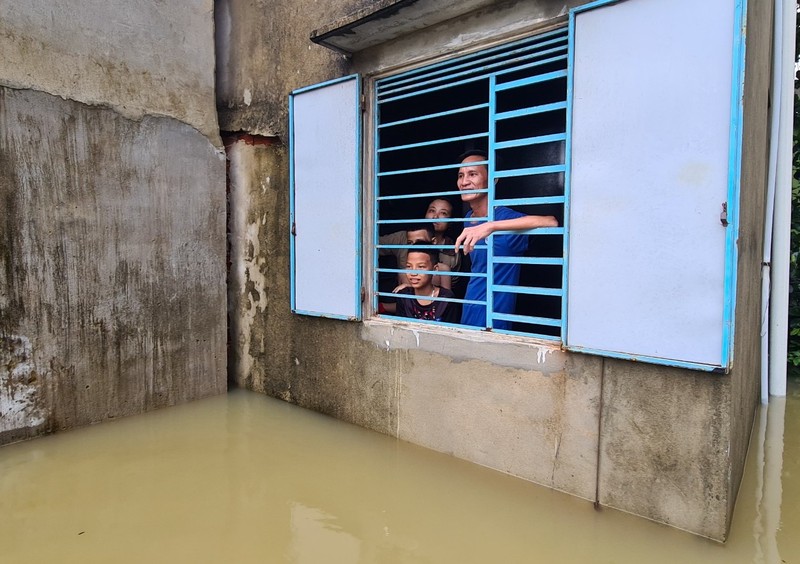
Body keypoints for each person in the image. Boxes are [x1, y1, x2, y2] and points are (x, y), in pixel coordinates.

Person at [453, 150, 558, 329]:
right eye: (461, 175)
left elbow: (551, 222)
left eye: (472, 174)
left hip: (494, 315)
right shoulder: (469, 218)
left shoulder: (504, 218)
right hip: (470, 305)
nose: (464, 182)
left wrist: (491, 226)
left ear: (493, 180)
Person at [394, 245, 460, 323]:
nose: (413, 273)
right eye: (409, 266)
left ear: (435, 270)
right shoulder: (404, 296)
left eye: (421, 267)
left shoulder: (446, 299)